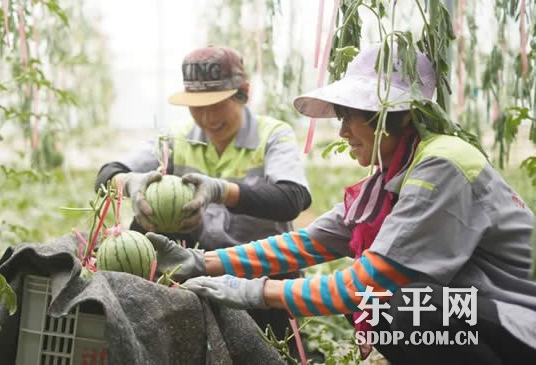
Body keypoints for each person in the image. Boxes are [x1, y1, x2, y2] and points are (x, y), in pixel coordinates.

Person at [145, 42, 536, 364]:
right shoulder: (392, 175)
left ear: (391, 116)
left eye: (351, 116)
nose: (344, 130)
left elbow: (363, 284)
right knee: (389, 307)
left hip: (517, 321)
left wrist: (253, 292)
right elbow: (308, 243)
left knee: (398, 308)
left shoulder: (441, 164)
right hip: (482, 314)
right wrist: (199, 263)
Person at [94, 46, 312, 348]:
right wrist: (129, 182)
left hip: (258, 273)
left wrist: (221, 191)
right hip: (193, 267)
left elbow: (292, 199)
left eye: (217, 104)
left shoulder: (273, 134)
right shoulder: (175, 139)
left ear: (243, 92)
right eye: (197, 106)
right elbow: (107, 174)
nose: (207, 117)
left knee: (268, 349)